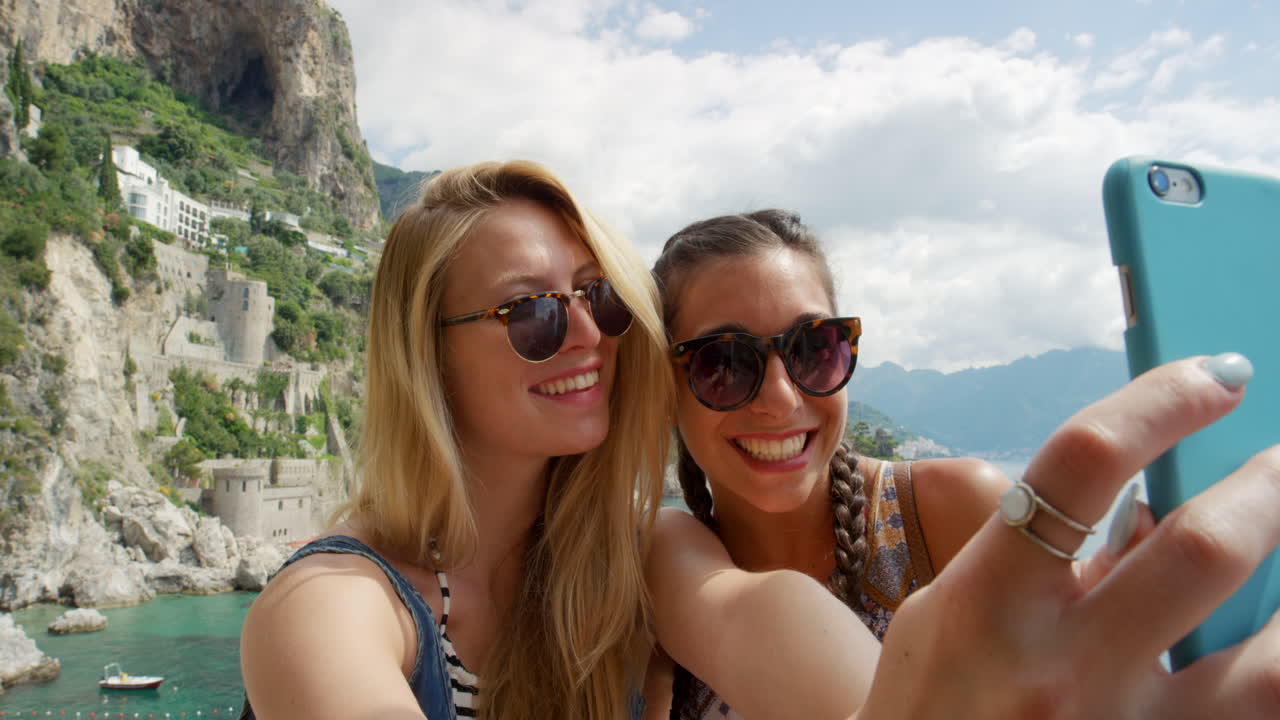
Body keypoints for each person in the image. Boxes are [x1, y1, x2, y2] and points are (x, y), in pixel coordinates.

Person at [644, 209, 1280, 719]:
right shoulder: (659, 571)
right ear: (665, 391)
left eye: (814, 348)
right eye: (722, 363)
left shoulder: (943, 507)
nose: (782, 399)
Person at [239, 160, 673, 720]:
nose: (589, 334)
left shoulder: (640, 569)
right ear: (431, 354)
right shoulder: (330, 602)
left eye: (598, 294)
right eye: (532, 312)